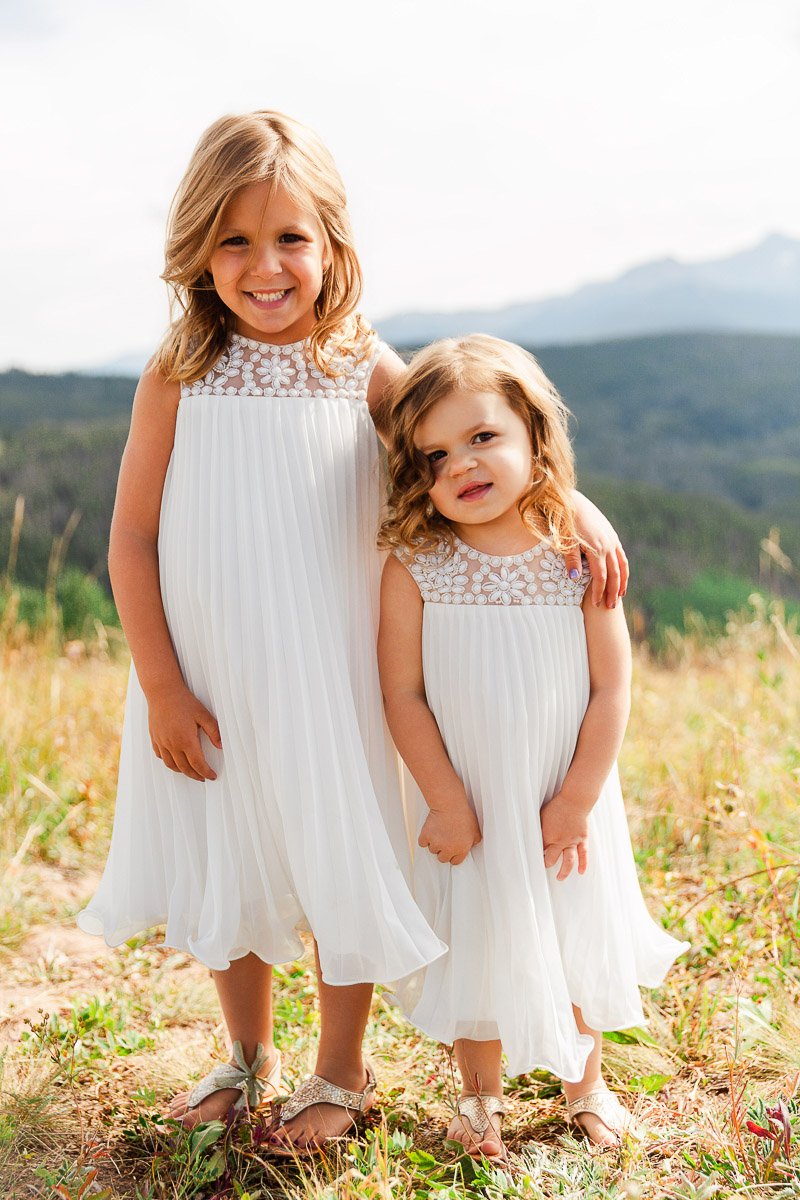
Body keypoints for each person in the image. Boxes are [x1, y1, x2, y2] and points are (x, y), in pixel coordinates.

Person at [77, 111, 628, 1151]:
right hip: (211, 669)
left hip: (332, 671)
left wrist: (575, 503)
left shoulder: (356, 362)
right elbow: (133, 542)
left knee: (339, 852)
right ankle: (246, 1058)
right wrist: (160, 682)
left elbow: (473, 424)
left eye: (289, 236)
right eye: (233, 240)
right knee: (228, 849)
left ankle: (340, 1069)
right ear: (197, 249)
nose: (264, 264)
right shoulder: (177, 375)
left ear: (331, 242)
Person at [377, 335, 687, 1161]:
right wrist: (444, 798)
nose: (463, 466)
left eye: (483, 438)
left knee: (571, 929)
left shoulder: (572, 553)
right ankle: (480, 1099)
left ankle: (586, 1084)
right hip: (470, 797)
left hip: (560, 792)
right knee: (475, 936)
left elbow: (611, 688)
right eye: (435, 456)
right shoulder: (417, 563)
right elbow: (402, 693)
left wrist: (578, 799)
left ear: (531, 431)